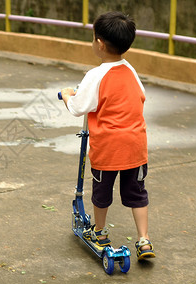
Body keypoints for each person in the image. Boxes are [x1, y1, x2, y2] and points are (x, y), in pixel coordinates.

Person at [59, 11, 155, 260]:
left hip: (109, 147)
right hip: (135, 145)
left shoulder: (95, 75)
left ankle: (100, 232)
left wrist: (68, 93)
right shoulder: (130, 70)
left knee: (102, 192)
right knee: (137, 192)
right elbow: (140, 95)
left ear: (99, 44)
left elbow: (78, 107)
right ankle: (144, 240)